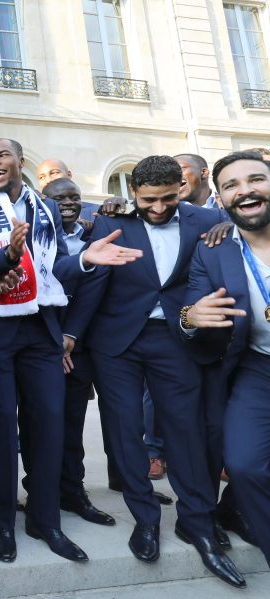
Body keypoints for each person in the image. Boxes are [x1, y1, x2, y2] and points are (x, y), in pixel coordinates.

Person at [0, 138, 141, 564]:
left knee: (50, 423)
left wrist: (86, 261)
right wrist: (7, 255)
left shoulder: (46, 208)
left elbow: (53, 271)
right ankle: (4, 520)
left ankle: (44, 518)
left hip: (42, 330)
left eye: (1, 156)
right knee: (1, 427)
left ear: (21, 162)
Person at [64, 155, 245, 588]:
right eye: (149, 200)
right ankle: (144, 519)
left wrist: (228, 225)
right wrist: (71, 333)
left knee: (186, 430)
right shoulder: (111, 217)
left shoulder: (207, 219)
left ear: (181, 189)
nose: (159, 208)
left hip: (177, 337)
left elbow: (246, 224)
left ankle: (197, 522)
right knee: (125, 433)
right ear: (133, 194)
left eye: (168, 198)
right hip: (116, 343)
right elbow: (88, 281)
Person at [182, 150, 270, 568]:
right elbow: (188, 308)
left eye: (256, 179)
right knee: (246, 465)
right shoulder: (214, 249)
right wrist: (191, 317)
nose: (246, 190)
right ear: (219, 198)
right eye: (232, 185)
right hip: (258, 367)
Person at [41, 178, 115, 528]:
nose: (68, 203)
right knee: (39, 425)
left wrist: (70, 337)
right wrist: (55, 337)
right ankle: (41, 490)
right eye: (59, 199)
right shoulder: (36, 240)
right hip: (40, 344)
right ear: (45, 203)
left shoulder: (94, 237)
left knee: (72, 425)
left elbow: (91, 296)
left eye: (74, 197)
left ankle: (73, 490)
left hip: (79, 346)